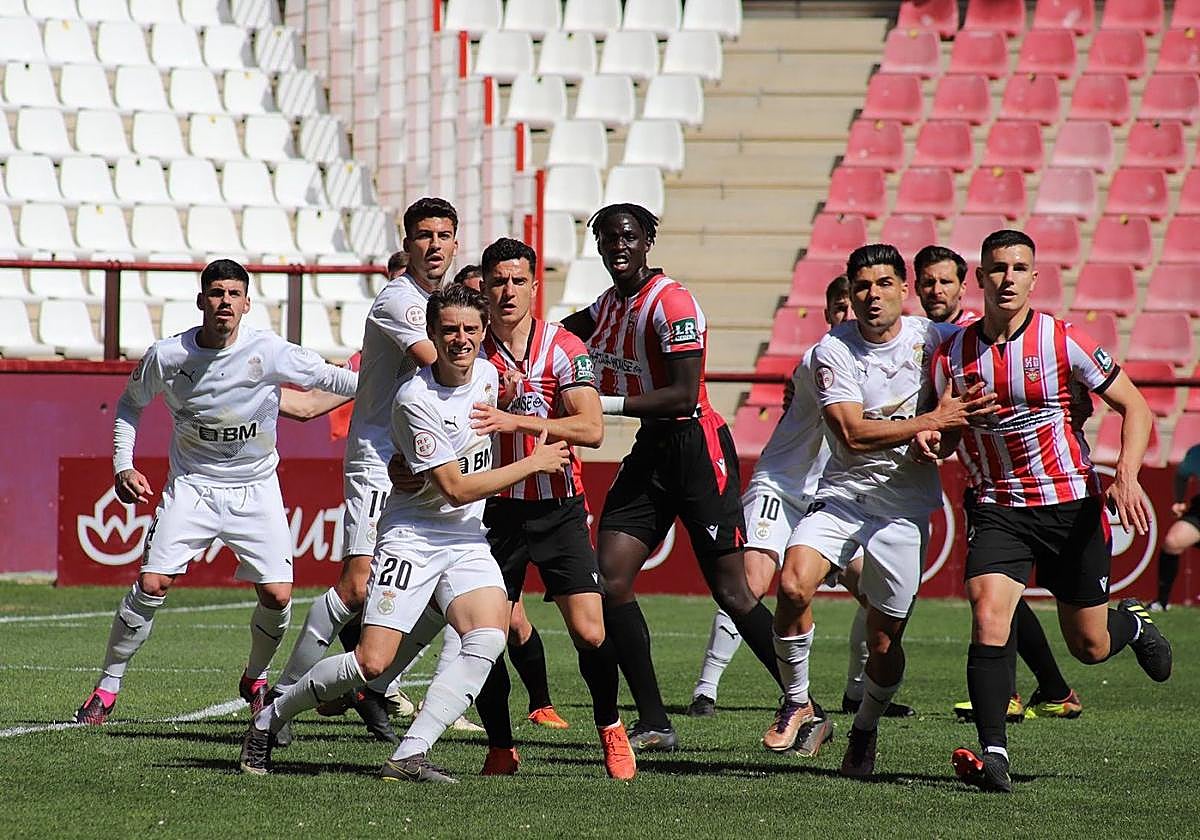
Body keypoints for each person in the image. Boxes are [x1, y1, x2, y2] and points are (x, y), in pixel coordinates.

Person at [239, 283, 571, 781]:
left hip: (463, 537)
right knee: (372, 664)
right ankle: (272, 715)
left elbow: (488, 424)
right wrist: (533, 463)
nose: (461, 339)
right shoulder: (415, 397)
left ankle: (408, 755)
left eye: (470, 330)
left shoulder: (486, 375)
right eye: (449, 330)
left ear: (484, 334)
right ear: (431, 334)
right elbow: (456, 488)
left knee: (487, 635)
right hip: (413, 536)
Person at [920, 229, 1172, 793]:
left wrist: (1126, 476)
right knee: (989, 614)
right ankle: (993, 755)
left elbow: (1134, 406)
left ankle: (1129, 624)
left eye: (1018, 268)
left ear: (1035, 278)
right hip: (997, 507)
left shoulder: (1063, 341)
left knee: (1089, 646)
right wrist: (931, 438)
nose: (1007, 278)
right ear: (980, 279)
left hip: (1071, 507)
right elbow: (944, 425)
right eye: (997, 268)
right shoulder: (950, 353)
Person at [74, 259, 359, 724]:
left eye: (234, 294)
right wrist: (123, 465)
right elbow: (130, 404)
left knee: (278, 596)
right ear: (201, 300)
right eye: (216, 293)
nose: (224, 301)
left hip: (256, 488)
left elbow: (335, 380)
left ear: (247, 304)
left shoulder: (268, 351)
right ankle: (107, 684)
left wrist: (394, 384)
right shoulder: (169, 356)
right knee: (151, 583)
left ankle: (255, 677)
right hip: (192, 487)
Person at [765, 244, 997, 775]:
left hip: (903, 510)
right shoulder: (833, 350)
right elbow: (851, 431)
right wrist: (925, 422)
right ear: (852, 290)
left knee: (884, 640)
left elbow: (959, 417)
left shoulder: (935, 340)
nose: (873, 295)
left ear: (904, 290)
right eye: (863, 286)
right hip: (843, 496)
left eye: (885, 284)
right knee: (794, 583)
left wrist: (939, 438)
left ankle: (864, 728)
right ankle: (798, 700)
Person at [561, 203, 783, 752]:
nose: (618, 245)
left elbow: (684, 395)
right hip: (652, 450)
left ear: (646, 242)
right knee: (608, 578)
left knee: (732, 591)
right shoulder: (609, 303)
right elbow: (559, 337)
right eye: (608, 237)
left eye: (629, 236)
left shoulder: (672, 301)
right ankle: (655, 721)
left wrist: (599, 404)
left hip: (695, 446)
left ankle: (801, 702)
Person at [686, 276, 913, 742]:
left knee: (877, 600)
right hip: (784, 488)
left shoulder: (878, 359)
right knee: (749, 585)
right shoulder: (823, 358)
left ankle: (852, 692)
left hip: (836, 500)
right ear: (829, 312)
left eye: (855, 307)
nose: (849, 315)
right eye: (840, 307)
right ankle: (706, 691)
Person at [267, 199, 456, 741]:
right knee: (355, 588)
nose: (434, 245)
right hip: (379, 462)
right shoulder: (400, 300)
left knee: (446, 588)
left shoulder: (440, 301)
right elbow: (442, 365)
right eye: (424, 235)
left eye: (444, 234)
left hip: (419, 460)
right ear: (408, 241)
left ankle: (368, 687)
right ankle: (282, 697)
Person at [468, 236, 635, 779]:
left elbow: (590, 427)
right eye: (498, 281)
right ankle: (500, 745)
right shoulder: (470, 351)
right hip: (495, 511)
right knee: (486, 634)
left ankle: (611, 727)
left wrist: (519, 419)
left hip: (559, 508)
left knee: (590, 631)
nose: (508, 290)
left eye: (518, 281)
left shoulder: (564, 347)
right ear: (484, 288)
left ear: (535, 287)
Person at [914, 246, 1084, 723]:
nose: (936, 291)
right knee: (994, 595)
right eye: (927, 282)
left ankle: (1019, 691)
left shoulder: (983, 333)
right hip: (986, 484)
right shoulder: (930, 339)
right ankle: (1049, 688)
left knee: (1010, 601)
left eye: (945, 281)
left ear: (966, 284)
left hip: (1039, 488)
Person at [1148, 442, 1200, 611]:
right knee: (1173, 541)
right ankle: (1162, 601)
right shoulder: (1196, 453)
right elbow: (1181, 475)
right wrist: (1179, 501)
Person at [913, 244, 979, 326]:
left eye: (945, 282)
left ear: (962, 288)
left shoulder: (978, 334)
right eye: (929, 283)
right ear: (917, 288)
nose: (936, 291)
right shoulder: (914, 335)